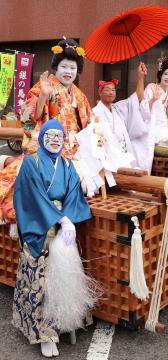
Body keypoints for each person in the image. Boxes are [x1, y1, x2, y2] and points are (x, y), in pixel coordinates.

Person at [12, 119, 92, 358]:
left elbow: (74, 192)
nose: (56, 140)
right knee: (40, 282)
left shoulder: (67, 165)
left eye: (60, 136)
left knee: (64, 279)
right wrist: (59, 219)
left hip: (62, 226)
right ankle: (42, 333)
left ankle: (64, 321)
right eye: (51, 135)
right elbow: (31, 196)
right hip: (39, 226)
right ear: (42, 138)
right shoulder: (31, 163)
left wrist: (68, 218)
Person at [0, 38, 92, 224]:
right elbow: (28, 116)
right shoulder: (43, 87)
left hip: (75, 152)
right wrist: (43, 95)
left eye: (73, 68)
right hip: (49, 150)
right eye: (64, 67)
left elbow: (87, 126)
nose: (68, 72)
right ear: (56, 67)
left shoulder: (80, 96)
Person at [140, 55, 168, 168]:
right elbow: (143, 111)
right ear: (160, 75)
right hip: (151, 126)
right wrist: (153, 100)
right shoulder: (151, 88)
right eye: (165, 74)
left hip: (164, 126)